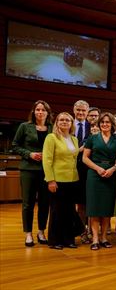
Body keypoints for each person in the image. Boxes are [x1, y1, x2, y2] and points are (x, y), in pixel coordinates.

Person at [11, 100, 52, 247]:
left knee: (44, 203)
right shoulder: (24, 126)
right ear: (33, 112)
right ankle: (28, 233)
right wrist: (29, 154)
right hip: (28, 169)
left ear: (47, 113)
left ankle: (41, 231)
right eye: (38, 110)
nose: (40, 112)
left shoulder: (52, 128)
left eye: (43, 110)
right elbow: (15, 146)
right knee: (27, 203)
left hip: (46, 171)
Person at [82, 112, 116, 251]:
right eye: (102, 122)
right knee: (94, 209)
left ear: (112, 124)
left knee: (106, 209)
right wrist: (98, 169)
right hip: (94, 175)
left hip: (110, 175)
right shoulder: (92, 138)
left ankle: (104, 237)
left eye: (107, 122)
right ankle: (95, 239)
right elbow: (85, 158)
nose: (105, 124)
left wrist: (113, 169)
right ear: (99, 124)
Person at [42, 112, 84, 249]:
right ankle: (55, 241)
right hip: (57, 180)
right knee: (56, 211)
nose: (64, 122)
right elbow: (47, 160)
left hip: (73, 180)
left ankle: (68, 239)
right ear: (57, 122)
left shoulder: (74, 139)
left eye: (67, 120)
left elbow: (74, 156)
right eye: (61, 120)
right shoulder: (51, 137)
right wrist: (50, 180)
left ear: (71, 123)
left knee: (69, 211)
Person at [73, 100, 92, 244]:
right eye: (78, 110)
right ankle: (69, 229)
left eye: (83, 111)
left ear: (87, 112)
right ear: (74, 110)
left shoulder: (92, 127)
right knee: (67, 202)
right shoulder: (66, 123)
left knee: (83, 203)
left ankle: (83, 231)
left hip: (85, 170)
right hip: (67, 168)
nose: (80, 113)